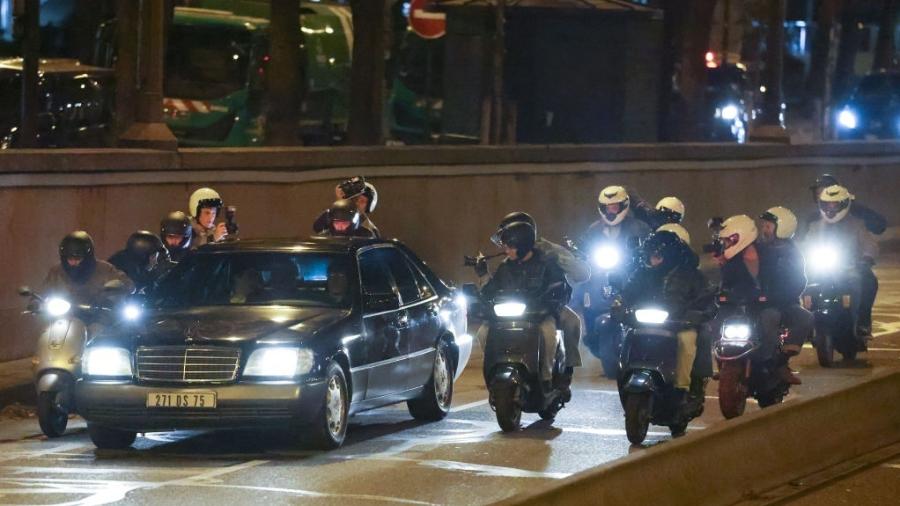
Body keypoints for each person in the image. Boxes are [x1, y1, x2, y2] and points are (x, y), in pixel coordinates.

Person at [621, 229, 715, 404]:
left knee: (687, 341)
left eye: (657, 256)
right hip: (645, 325)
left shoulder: (692, 276)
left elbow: (707, 299)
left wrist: (697, 314)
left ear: (670, 256)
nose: (652, 260)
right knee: (627, 335)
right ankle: (626, 374)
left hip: (678, 325)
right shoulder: (642, 274)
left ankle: (683, 389)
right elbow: (627, 293)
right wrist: (619, 305)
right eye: (650, 255)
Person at [491, 212, 590, 376]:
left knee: (571, 322)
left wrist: (562, 261)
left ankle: (566, 370)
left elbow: (581, 274)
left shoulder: (551, 253)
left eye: (509, 236)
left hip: (545, 307)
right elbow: (495, 287)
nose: (505, 244)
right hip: (515, 309)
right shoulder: (508, 259)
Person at [480, 221, 568, 388]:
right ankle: (495, 368)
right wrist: (483, 274)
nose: (506, 250)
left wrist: (549, 302)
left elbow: (559, 288)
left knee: (548, 333)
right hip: (507, 317)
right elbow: (489, 292)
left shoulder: (547, 264)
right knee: (483, 332)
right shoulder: (505, 266)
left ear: (523, 245)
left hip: (538, 316)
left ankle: (547, 377)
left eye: (510, 246)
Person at [807, 185, 879, 342]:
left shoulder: (857, 224)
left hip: (850, 269)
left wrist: (866, 258)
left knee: (867, 281)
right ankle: (807, 322)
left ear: (844, 204)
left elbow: (869, 243)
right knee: (804, 285)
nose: (830, 209)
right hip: (822, 270)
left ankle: (862, 322)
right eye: (827, 205)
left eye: (835, 205)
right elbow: (806, 246)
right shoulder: (815, 227)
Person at [758, 206, 813, 384]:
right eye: (764, 226)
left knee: (804, 317)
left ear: (782, 228)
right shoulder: (756, 249)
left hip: (782, 303)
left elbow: (799, 281)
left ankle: (780, 362)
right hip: (756, 302)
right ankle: (728, 362)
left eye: (768, 226)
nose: (764, 230)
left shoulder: (792, 253)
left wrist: (780, 296)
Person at [40, 231, 134, 308]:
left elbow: (128, 285)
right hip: (65, 318)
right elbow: (43, 291)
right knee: (49, 331)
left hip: (97, 318)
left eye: (77, 259)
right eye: (69, 259)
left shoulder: (105, 269)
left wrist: (114, 290)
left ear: (87, 257)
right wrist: (36, 303)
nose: (72, 263)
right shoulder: (56, 272)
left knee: (97, 329)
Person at [313, 176, 380, 237]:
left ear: (369, 205)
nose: (357, 203)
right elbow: (318, 228)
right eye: (354, 199)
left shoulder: (369, 230)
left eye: (362, 201)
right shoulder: (334, 216)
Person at [108, 231, 174, 291]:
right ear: (143, 256)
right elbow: (133, 286)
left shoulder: (131, 259)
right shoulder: (122, 265)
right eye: (154, 256)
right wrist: (155, 274)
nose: (156, 261)